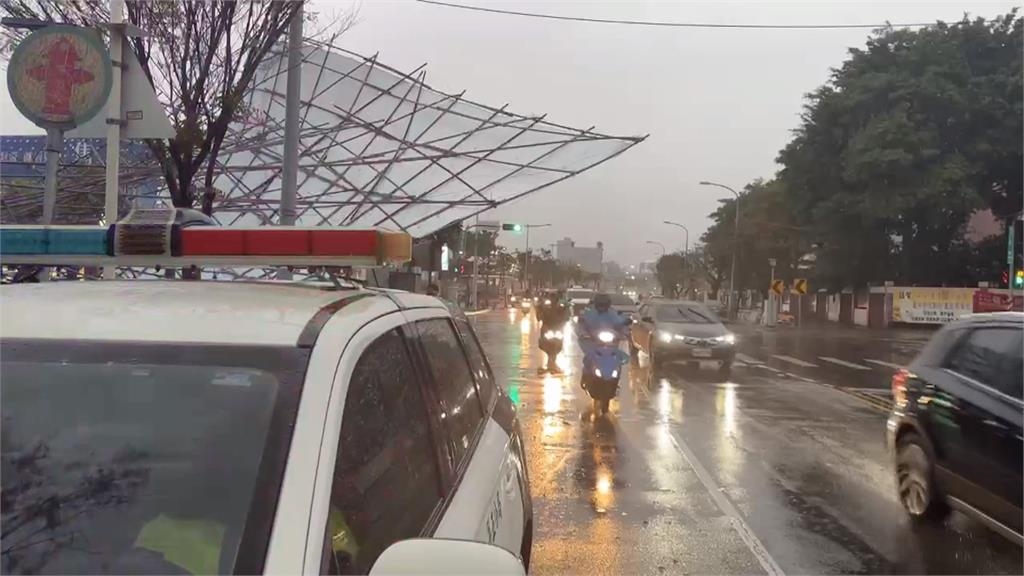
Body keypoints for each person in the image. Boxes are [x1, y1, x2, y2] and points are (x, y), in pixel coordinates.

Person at [576, 293, 629, 387]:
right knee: (589, 357)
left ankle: (615, 379)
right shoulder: (589, 313)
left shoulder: (612, 313)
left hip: (611, 343)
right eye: (600, 305)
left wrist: (625, 329)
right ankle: (586, 375)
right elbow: (581, 325)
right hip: (593, 342)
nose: (602, 307)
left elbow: (620, 323)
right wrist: (583, 334)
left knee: (618, 357)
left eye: (604, 305)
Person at [536, 289, 569, 373]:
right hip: (547, 327)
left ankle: (552, 363)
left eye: (555, 297)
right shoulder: (544, 305)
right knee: (545, 343)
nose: (553, 299)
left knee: (558, 345)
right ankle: (551, 364)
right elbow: (539, 315)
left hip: (557, 329)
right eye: (552, 296)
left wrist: (565, 316)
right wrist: (539, 309)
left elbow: (566, 315)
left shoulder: (562, 305)